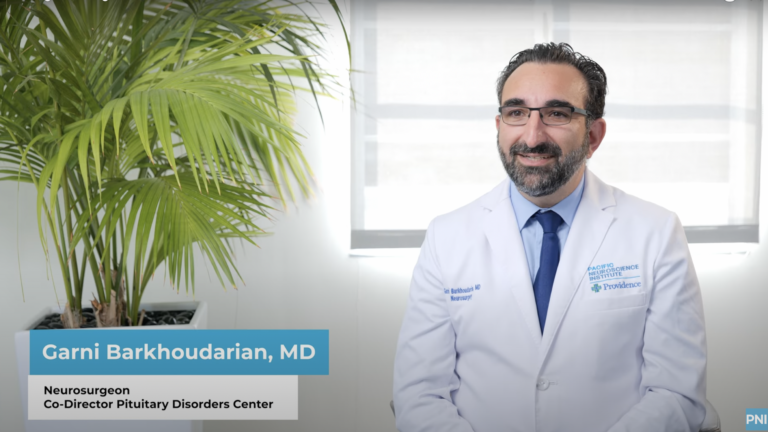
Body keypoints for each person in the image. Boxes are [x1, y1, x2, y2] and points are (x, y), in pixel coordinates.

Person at [392, 43, 707, 432]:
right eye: (517, 113)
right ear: (499, 126)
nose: (532, 136)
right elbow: (419, 393)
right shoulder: (446, 237)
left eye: (557, 113)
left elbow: (676, 392)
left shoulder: (656, 232)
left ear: (593, 136)